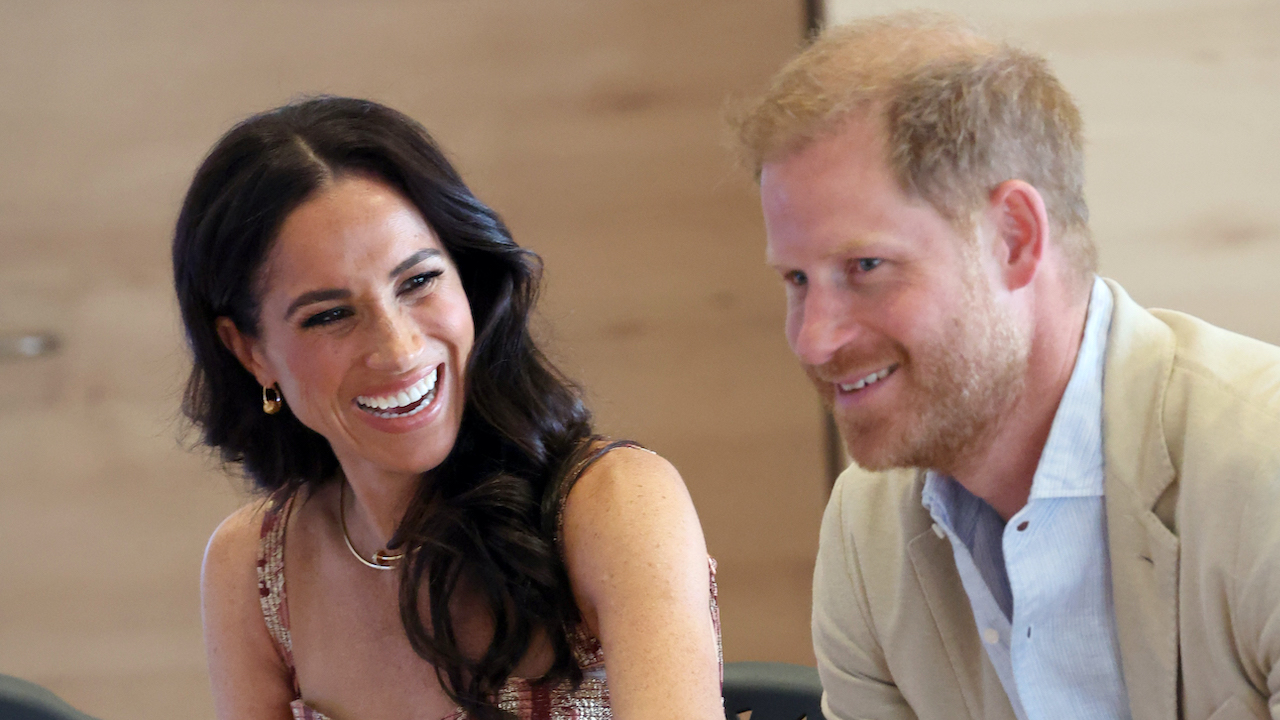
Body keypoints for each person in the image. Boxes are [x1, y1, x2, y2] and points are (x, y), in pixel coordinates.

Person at [731, 11, 1280, 720]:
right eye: (797, 280)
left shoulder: (1263, 466)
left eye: (866, 266)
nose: (814, 341)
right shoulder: (866, 536)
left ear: (1013, 238)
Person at [174, 96, 723, 720]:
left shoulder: (614, 507)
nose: (398, 347)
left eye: (418, 281)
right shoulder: (252, 569)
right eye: (330, 315)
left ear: (468, 279)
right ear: (250, 352)